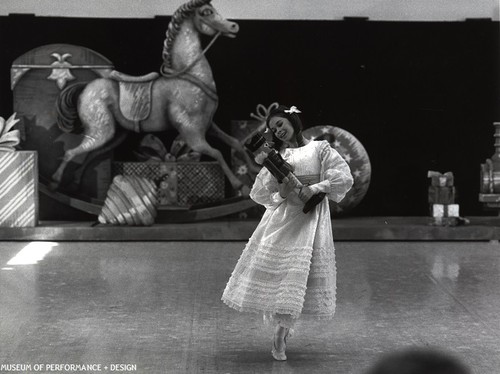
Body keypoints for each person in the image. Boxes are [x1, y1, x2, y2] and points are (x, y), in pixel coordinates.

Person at [221, 104, 353, 361]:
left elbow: (342, 177)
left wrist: (315, 188)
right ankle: (281, 331)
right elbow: (260, 193)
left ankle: (282, 331)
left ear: (294, 121)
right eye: (272, 129)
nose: (277, 130)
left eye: (280, 124)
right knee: (284, 278)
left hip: (310, 220)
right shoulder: (277, 158)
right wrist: (281, 192)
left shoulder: (319, 149)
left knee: (301, 277)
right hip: (284, 220)